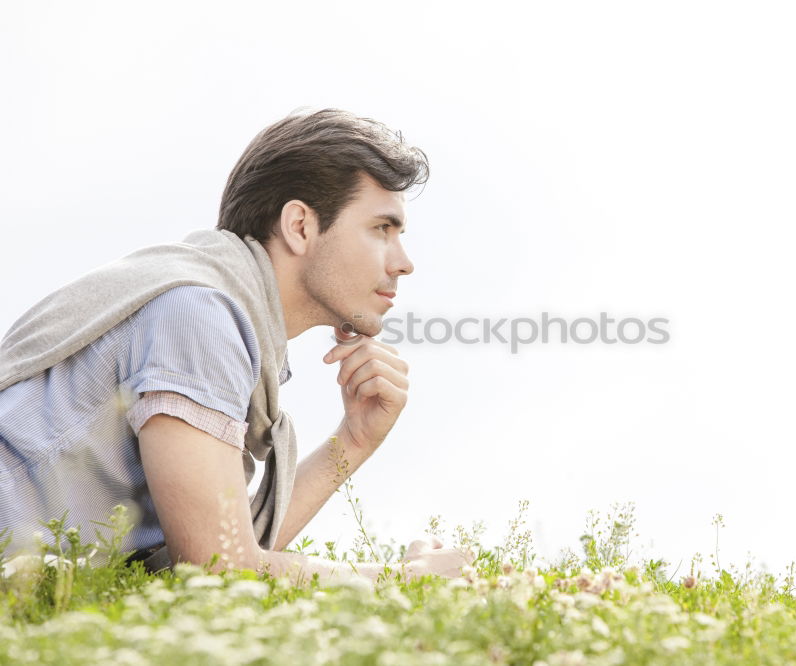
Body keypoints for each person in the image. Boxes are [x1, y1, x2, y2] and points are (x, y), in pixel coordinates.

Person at [0, 108, 472, 585]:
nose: (404, 262)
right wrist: (407, 581)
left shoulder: (219, 314)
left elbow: (215, 545)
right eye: (381, 229)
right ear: (300, 226)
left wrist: (352, 441)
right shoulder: (198, 316)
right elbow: (218, 567)